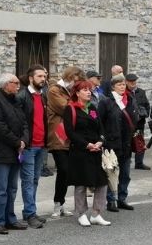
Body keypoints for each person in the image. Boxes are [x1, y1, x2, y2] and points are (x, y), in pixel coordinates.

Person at [0, 74, 30, 235]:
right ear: (6, 84)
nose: (18, 86)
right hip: (2, 151)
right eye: (15, 83)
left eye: (18, 83)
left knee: (12, 188)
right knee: (2, 188)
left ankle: (10, 218)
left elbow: (24, 122)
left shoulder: (16, 100)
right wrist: (17, 142)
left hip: (16, 150)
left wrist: (24, 140)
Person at [63, 79, 110, 226]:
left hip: (96, 151)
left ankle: (96, 213)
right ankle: (81, 213)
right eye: (85, 90)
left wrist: (100, 141)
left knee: (102, 183)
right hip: (80, 152)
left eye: (89, 89)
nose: (89, 92)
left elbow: (101, 129)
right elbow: (70, 132)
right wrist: (87, 144)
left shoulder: (93, 108)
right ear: (77, 93)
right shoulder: (70, 109)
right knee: (81, 184)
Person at [98, 74, 135, 213]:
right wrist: (103, 140)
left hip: (126, 142)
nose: (122, 87)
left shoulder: (129, 100)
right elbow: (100, 122)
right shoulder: (106, 102)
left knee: (125, 174)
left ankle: (122, 198)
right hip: (112, 144)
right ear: (113, 86)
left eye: (124, 85)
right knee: (112, 173)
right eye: (119, 85)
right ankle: (111, 200)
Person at [18, 66, 50, 228]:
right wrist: (22, 141)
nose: (43, 79)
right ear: (31, 78)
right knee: (28, 180)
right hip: (29, 146)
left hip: (41, 144)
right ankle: (30, 214)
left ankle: (30, 210)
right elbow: (19, 121)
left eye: (44, 76)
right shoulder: (23, 96)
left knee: (35, 180)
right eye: (39, 76)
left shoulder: (43, 95)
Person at [46, 68, 75, 217]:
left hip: (70, 136)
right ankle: (57, 203)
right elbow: (66, 108)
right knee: (63, 169)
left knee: (67, 172)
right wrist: (76, 101)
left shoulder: (70, 91)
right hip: (58, 136)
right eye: (75, 80)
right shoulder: (54, 90)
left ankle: (61, 203)